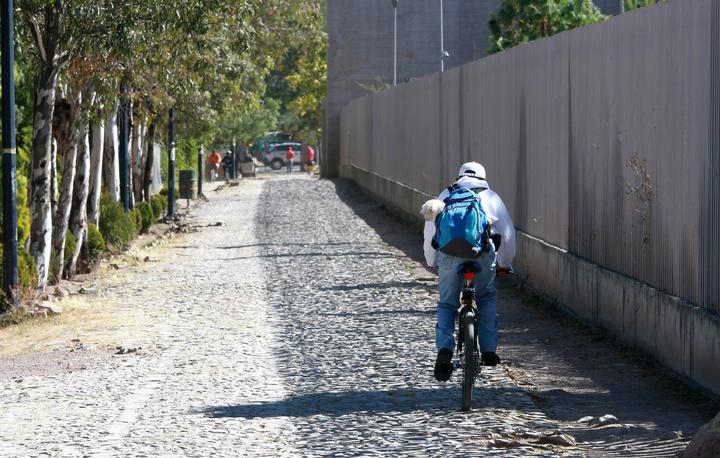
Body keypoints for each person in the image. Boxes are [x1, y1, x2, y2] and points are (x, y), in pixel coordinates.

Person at [421, 161, 516, 382]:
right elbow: (508, 236)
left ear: (459, 176)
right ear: (483, 177)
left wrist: (432, 260)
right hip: (482, 256)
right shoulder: (492, 198)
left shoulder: (445, 195)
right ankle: (489, 351)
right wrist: (504, 263)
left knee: (447, 304)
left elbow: (431, 232)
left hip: (450, 258)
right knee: (486, 295)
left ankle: (445, 349)